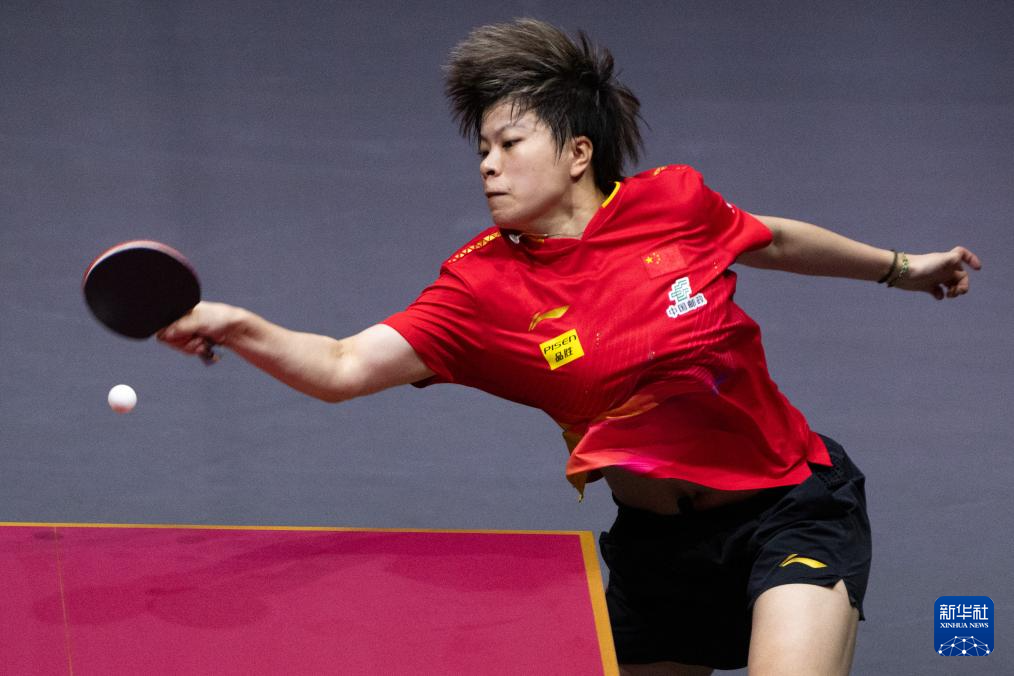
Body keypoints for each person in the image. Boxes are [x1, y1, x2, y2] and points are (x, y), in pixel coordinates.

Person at [158, 19, 981, 675]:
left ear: (578, 151)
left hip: (788, 507)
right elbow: (342, 367)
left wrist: (902, 269)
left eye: (509, 144)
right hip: (657, 553)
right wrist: (237, 325)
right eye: (482, 150)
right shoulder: (480, 288)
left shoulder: (673, 203)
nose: (489, 166)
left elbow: (773, 237)